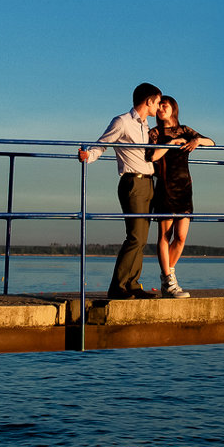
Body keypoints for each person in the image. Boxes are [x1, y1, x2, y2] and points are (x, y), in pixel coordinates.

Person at [77, 83, 162, 299]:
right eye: (158, 102)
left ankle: (133, 283)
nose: (159, 107)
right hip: (132, 182)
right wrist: (89, 156)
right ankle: (117, 286)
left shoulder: (146, 127)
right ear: (149, 101)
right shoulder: (122, 121)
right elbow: (102, 143)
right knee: (134, 236)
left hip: (148, 183)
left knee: (142, 239)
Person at [146, 95, 213, 299]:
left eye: (164, 105)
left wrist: (196, 141)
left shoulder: (185, 129)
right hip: (165, 187)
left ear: (173, 107)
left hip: (185, 188)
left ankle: (168, 275)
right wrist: (173, 143)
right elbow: (152, 156)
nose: (160, 109)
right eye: (158, 107)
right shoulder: (155, 132)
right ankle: (169, 280)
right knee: (164, 236)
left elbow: (211, 142)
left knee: (181, 237)